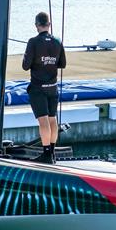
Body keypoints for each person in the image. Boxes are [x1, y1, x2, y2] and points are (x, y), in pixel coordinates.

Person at [22, 12, 67, 164]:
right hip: (53, 87)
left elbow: (25, 66)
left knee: (43, 121)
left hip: (38, 87)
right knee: (53, 120)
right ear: (49, 25)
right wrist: (49, 62)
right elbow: (62, 64)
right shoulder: (57, 41)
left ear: (36, 26)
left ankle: (46, 153)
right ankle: (52, 153)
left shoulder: (33, 42)